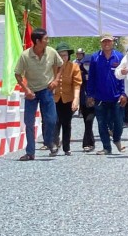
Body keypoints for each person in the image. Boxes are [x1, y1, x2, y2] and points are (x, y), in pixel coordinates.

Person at [14, 28, 63, 161]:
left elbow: (60, 65)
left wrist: (56, 80)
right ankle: (30, 152)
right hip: (31, 92)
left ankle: (48, 141)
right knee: (29, 122)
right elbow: (17, 74)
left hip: (47, 90)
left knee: (51, 119)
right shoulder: (25, 56)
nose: (48, 41)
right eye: (46, 39)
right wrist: (26, 89)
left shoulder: (51, 52)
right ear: (37, 41)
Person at [87, 33, 125, 154]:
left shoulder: (119, 57)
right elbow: (91, 77)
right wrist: (90, 94)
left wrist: (124, 93)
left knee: (119, 122)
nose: (106, 43)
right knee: (101, 123)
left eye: (108, 41)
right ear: (101, 43)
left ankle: (117, 138)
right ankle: (106, 147)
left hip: (116, 97)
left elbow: (124, 77)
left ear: (113, 42)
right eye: (104, 41)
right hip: (100, 97)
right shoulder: (95, 57)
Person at [53, 43, 82, 155]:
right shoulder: (52, 66)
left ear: (68, 56)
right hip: (54, 98)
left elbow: (77, 84)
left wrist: (76, 99)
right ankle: (54, 144)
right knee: (55, 121)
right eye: (60, 55)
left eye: (65, 55)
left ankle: (66, 147)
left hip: (68, 98)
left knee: (66, 122)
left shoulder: (74, 67)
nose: (63, 57)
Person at [75, 48, 96, 151]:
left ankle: (86, 143)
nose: (87, 66)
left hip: (94, 100)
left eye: (89, 64)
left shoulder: (96, 73)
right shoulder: (79, 71)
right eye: (85, 64)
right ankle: (91, 142)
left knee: (89, 121)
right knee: (86, 122)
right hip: (83, 100)